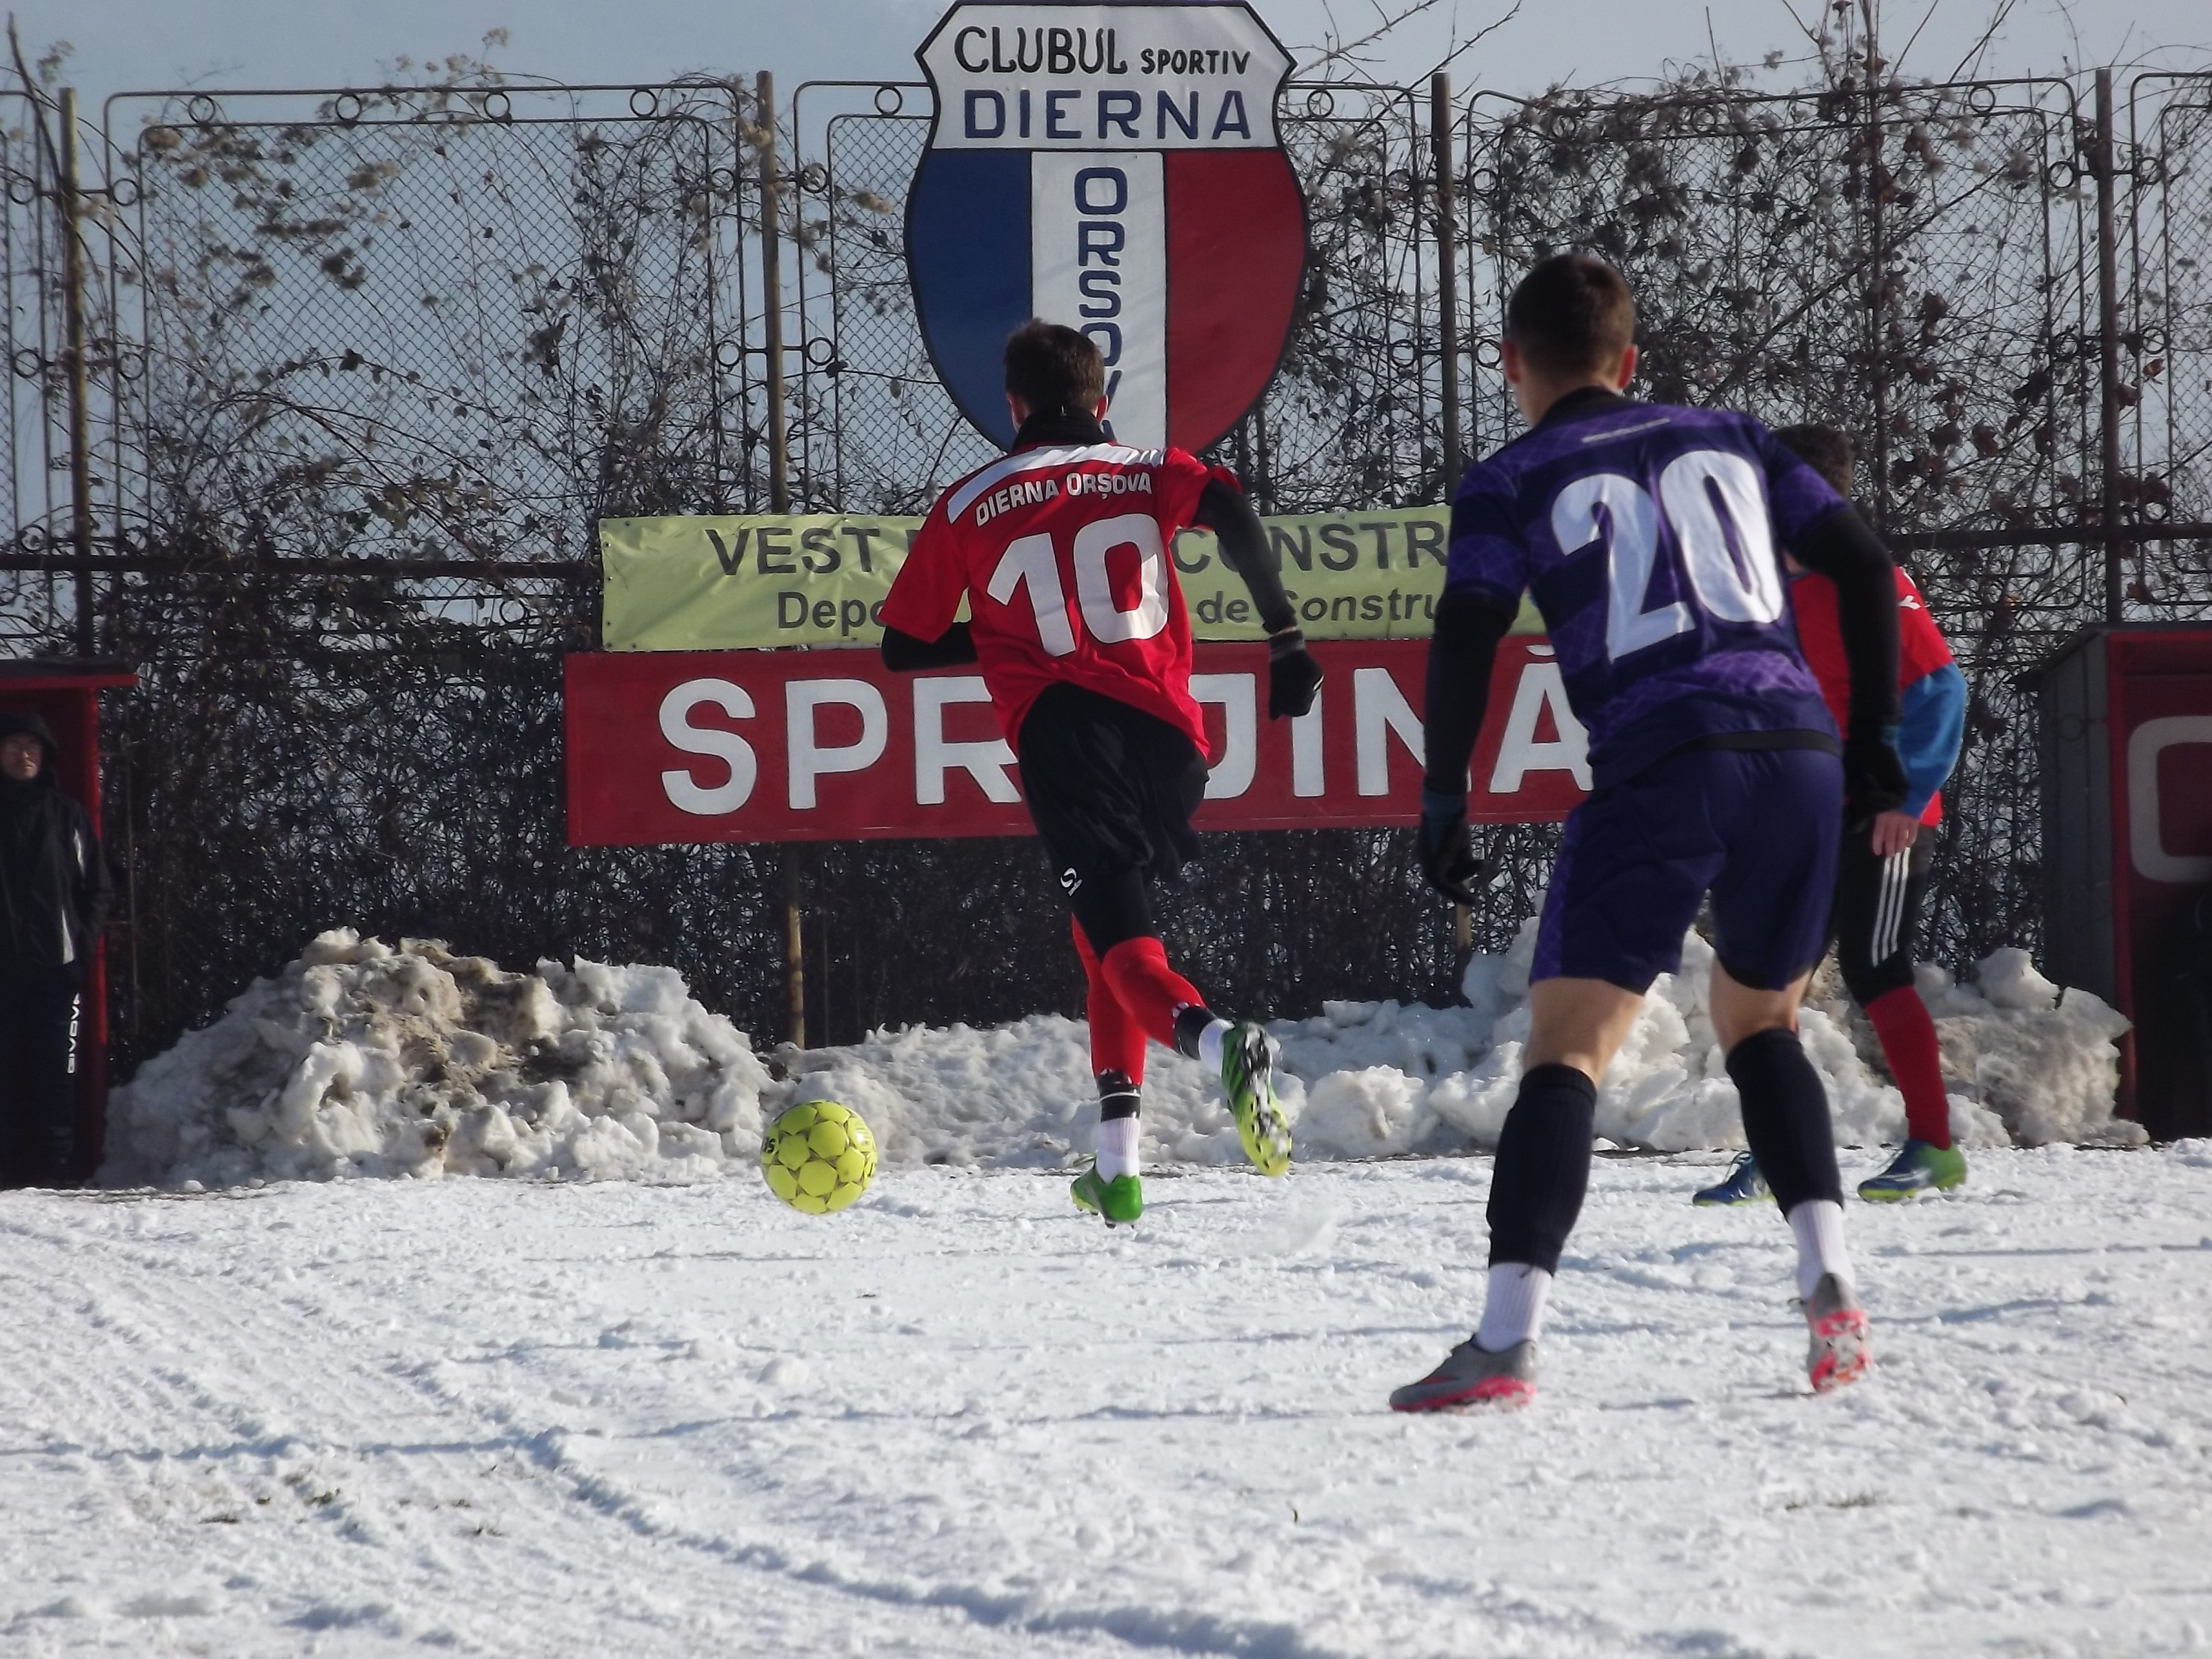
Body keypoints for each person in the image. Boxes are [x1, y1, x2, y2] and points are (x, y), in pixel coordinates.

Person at [1395, 253, 1907, 1411]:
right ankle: (1830, 1279)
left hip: (1660, 754)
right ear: (1631, 365)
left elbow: (1470, 621)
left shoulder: (1513, 475)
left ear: (1514, 364)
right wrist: (1870, 738)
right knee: (1761, 1020)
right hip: (1796, 753)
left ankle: (1504, 1340)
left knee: (1568, 1046)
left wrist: (1444, 793)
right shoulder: (1736, 433)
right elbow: (1865, 565)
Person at [878, 320, 1323, 1228]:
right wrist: (1285, 636)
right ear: (1100, 400)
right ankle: (1115, 1165)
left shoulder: (968, 503)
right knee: (1104, 945)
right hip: (1173, 741)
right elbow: (1233, 512)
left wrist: (1003, 631)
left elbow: (902, 648)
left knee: (1126, 952)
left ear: (1012, 406)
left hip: (1069, 740)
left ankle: (1219, 1044)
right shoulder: (1149, 466)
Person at [1694, 424, 1969, 1207]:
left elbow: (1941, 692)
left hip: (1880, 817)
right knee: (1767, 989)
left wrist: (1905, 799)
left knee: (1877, 971)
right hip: (1801, 817)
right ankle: (1775, 1153)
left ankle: (1935, 1146)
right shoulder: (1759, 593)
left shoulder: (1870, 582)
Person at [0, 711, 112, 1188]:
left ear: (45, 755)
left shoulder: (68, 816)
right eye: (13, 745)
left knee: (56, 1077)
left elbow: (98, 889)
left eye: (32, 746)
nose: (23, 755)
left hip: (56, 974)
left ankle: (56, 1173)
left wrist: (80, 948)